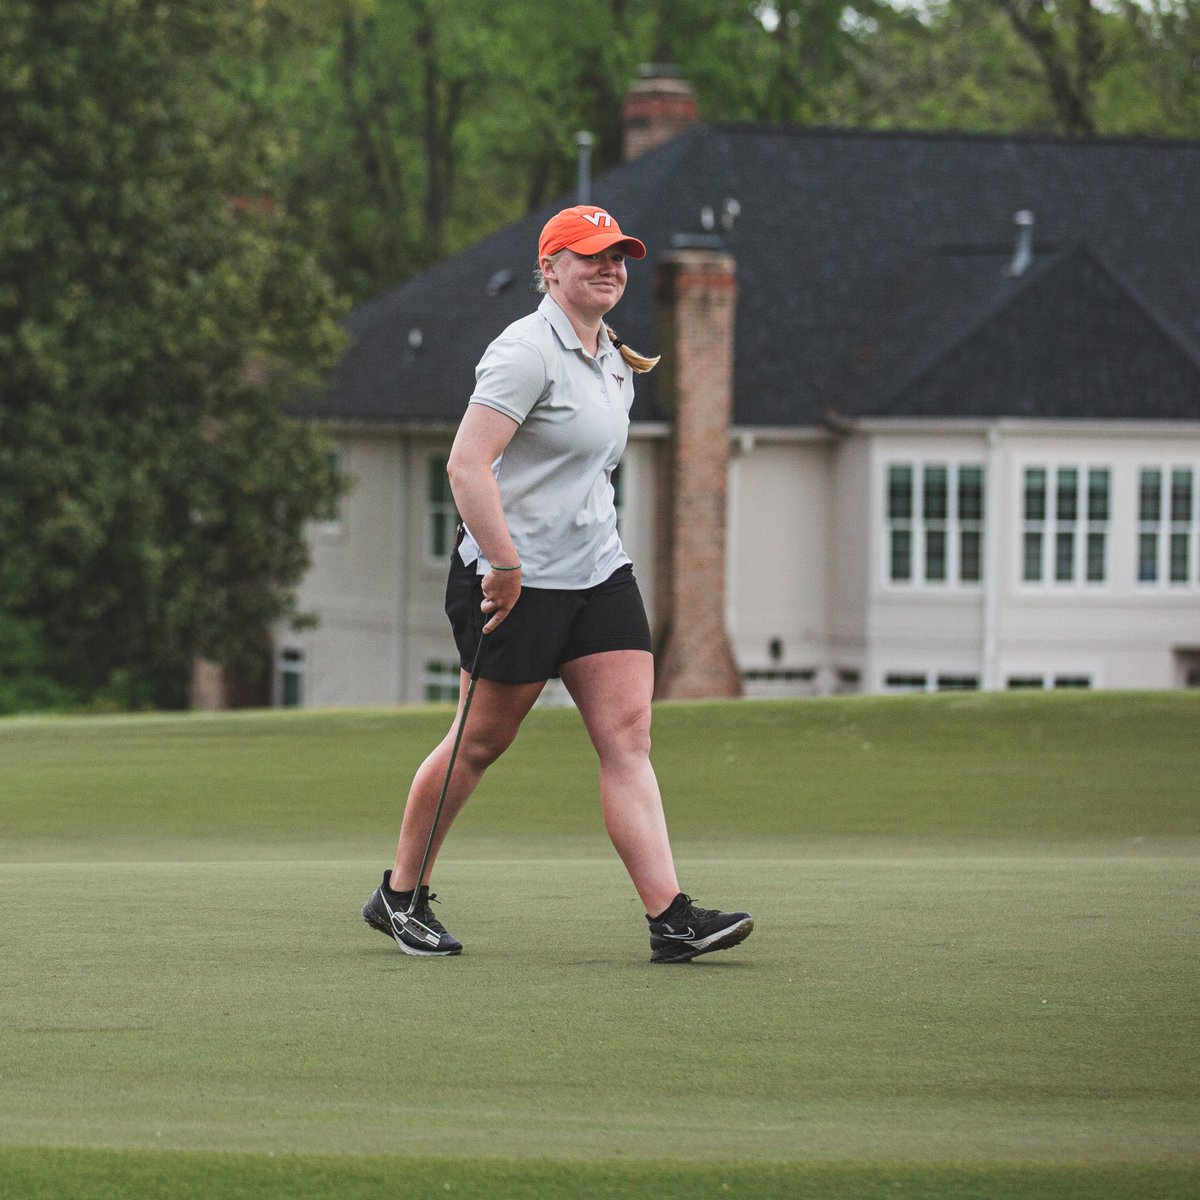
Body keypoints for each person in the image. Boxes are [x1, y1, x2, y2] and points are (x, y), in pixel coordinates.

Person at [362, 205, 753, 963]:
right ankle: (400, 895)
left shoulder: (612, 356)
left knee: (628, 737)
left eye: (618, 256)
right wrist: (505, 565)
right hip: (511, 578)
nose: (609, 267)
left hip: (598, 573)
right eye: (590, 255)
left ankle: (671, 919)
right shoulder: (524, 352)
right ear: (549, 269)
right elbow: (465, 466)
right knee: (480, 742)